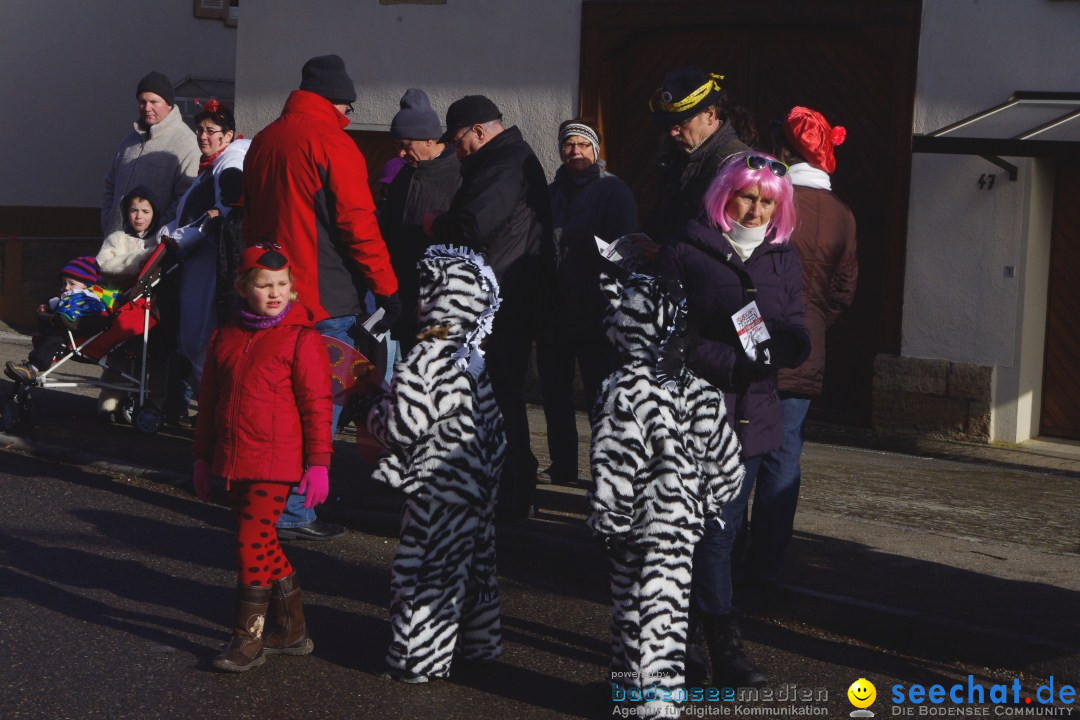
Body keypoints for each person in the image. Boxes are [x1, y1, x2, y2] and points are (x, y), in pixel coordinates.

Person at [654, 150, 810, 687]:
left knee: (723, 533)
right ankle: (702, 646)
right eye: (748, 197)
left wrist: (781, 349)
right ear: (727, 195)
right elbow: (667, 338)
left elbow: (794, 319)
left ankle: (712, 646)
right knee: (688, 534)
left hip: (755, 415)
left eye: (768, 202)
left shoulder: (783, 256)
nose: (756, 210)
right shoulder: (685, 249)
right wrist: (732, 361)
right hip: (696, 413)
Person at [243, 53, 401, 540]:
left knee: (276, 406)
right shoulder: (332, 141)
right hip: (325, 297)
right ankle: (293, 511)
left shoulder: (264, 140)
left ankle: (264, 502)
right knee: (318, 406)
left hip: (271, 295)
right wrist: (387, 286)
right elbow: (357, 223)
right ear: (339, 101)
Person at [588, 261, 744, 712]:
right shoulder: (698, 389)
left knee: (633, 615)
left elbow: (614, 464)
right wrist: (708, 498)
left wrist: (608, 520)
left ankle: (647, 706)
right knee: (666, 616)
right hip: (681, 526)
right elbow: (727, 463)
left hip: (635, 526)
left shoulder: (623, 390)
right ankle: (638, 701)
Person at [365, 245, 505, 683]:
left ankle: (416, 659)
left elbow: (404, 425)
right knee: (474, 564)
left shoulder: (426, 358)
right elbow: (497, 430)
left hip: (437, 485)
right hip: (475, 481)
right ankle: (479, 645)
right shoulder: (473, 358)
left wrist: (372, 410)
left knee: (427, 572)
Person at [192, 244, 333, 672]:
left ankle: (246, 638)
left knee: (250, 541)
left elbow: (317, 403)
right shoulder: (227, 335)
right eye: (264, 284)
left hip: (278, 460)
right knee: (262, 542)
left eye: (283, 284)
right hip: (235, 457)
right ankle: (293, 631)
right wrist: (201, 457)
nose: (275, 293)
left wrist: (320, 463)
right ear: (243, 288)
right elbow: (210, 399)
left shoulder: (301, 338)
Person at [430, 95, 553, 521]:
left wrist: (437, 225)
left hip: (501, 300)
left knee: (497, 396)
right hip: (505, 295)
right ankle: (509, 485)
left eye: (458, 140)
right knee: (497, 396)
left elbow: (475, 225)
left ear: (479, 131)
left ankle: (512, 490)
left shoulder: (504, 164)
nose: (455, 149)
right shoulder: (505, 159)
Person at [748, 107, 858, 584]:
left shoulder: (768, 200)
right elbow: (843, 291)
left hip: (756, 343)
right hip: (804, 349)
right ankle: (768, 565)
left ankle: (724, 558)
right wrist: (812, 326)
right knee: (783, 458)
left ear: (787, 153)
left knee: (741, 451)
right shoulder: (842, 215)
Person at [538, 118, 638, 485]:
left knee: (602, 398)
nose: (575, 152)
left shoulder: (614, 192)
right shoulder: (551, 193)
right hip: (554, 312)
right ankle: (562, 466)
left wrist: (613, 302)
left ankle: (606, 472)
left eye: (583, 145)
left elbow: (625, 251)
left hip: (598, 314)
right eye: (569, 145)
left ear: (596, 150)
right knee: (555, 396)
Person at [163, 99, 250, 391]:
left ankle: (210, 403)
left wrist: (179, 239)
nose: (203, 136)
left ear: (228, 135)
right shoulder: (210, 165)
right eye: (200, 130)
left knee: (198, 335)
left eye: (211, 131)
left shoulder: (230, 161)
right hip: (197, 260)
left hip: (210, 263)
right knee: (192, 334)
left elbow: (225, 204)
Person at [380, 88, 461, 358]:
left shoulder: (460, 174)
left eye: (406, 146)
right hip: (405, 297)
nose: (400, 154)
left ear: (430, 139)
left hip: (442, 302)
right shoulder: (403, 177)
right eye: (397, 146)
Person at [645, 66, 756, 244]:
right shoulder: (677, 156)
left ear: (710, 115)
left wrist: (671, 253)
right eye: (669, 126)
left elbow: (732, 241)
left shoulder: (736, 164)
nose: (673, 133)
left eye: (680, 123)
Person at [102, 71, 200, 235]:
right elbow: (110, 185)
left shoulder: (187, 144)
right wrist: (108, 221)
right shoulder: (129, 141)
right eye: (142, 102)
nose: (147, 108)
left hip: (151, 251)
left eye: (154, 102)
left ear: (168, 104)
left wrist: (154, 233)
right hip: (116, 244)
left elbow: (185, 198)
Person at [5, 257, 117, 385]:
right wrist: (45, 306)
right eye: (64, 283)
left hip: (78, 335)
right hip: (64, 330)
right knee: (51, 337)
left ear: (87, 284)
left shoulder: (89, 299)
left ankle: (32, 368)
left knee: (54, 339)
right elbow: (54, 301)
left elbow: (73, 319)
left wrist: (49, 316)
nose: (67, 287)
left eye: (71, 283)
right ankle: (31, 367)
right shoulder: (70, 295)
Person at [97, 186, 162, 285]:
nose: (139, 216)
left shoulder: (158, 240)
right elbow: (102, 266)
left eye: (145, 211)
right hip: (117, 296)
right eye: (133, 211)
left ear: (154, 214)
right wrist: (136, 260)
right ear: (126, 213)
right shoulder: (117, 239)